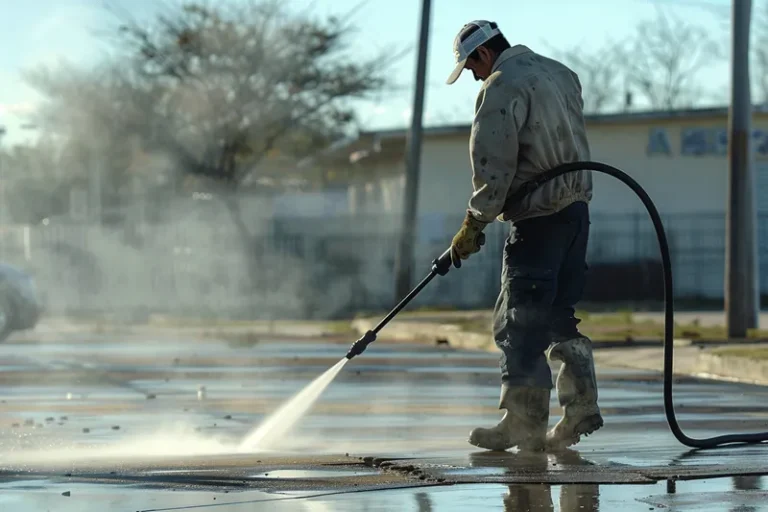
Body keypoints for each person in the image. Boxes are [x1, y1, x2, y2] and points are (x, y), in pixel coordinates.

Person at [446, 20, 602, 452]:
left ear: (482, 55)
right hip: (576, 214)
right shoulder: (560, 73)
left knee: (518, 323)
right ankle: (581, 408)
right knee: (558, 316)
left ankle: (522, 422)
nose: (475, 77)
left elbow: (494, 166)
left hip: (537, 220)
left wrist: (474, 223)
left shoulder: (500, 86)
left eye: (472, 69)